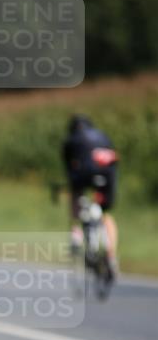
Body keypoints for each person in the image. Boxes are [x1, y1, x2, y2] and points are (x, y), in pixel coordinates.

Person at [63, 114, 119, 275]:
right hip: (108, 175)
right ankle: (111, 255)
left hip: (83, 174)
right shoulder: (103, 136)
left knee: (75, 192)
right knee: (106, 214)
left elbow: (68, 169)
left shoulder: (71, 139)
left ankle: (75, 232)